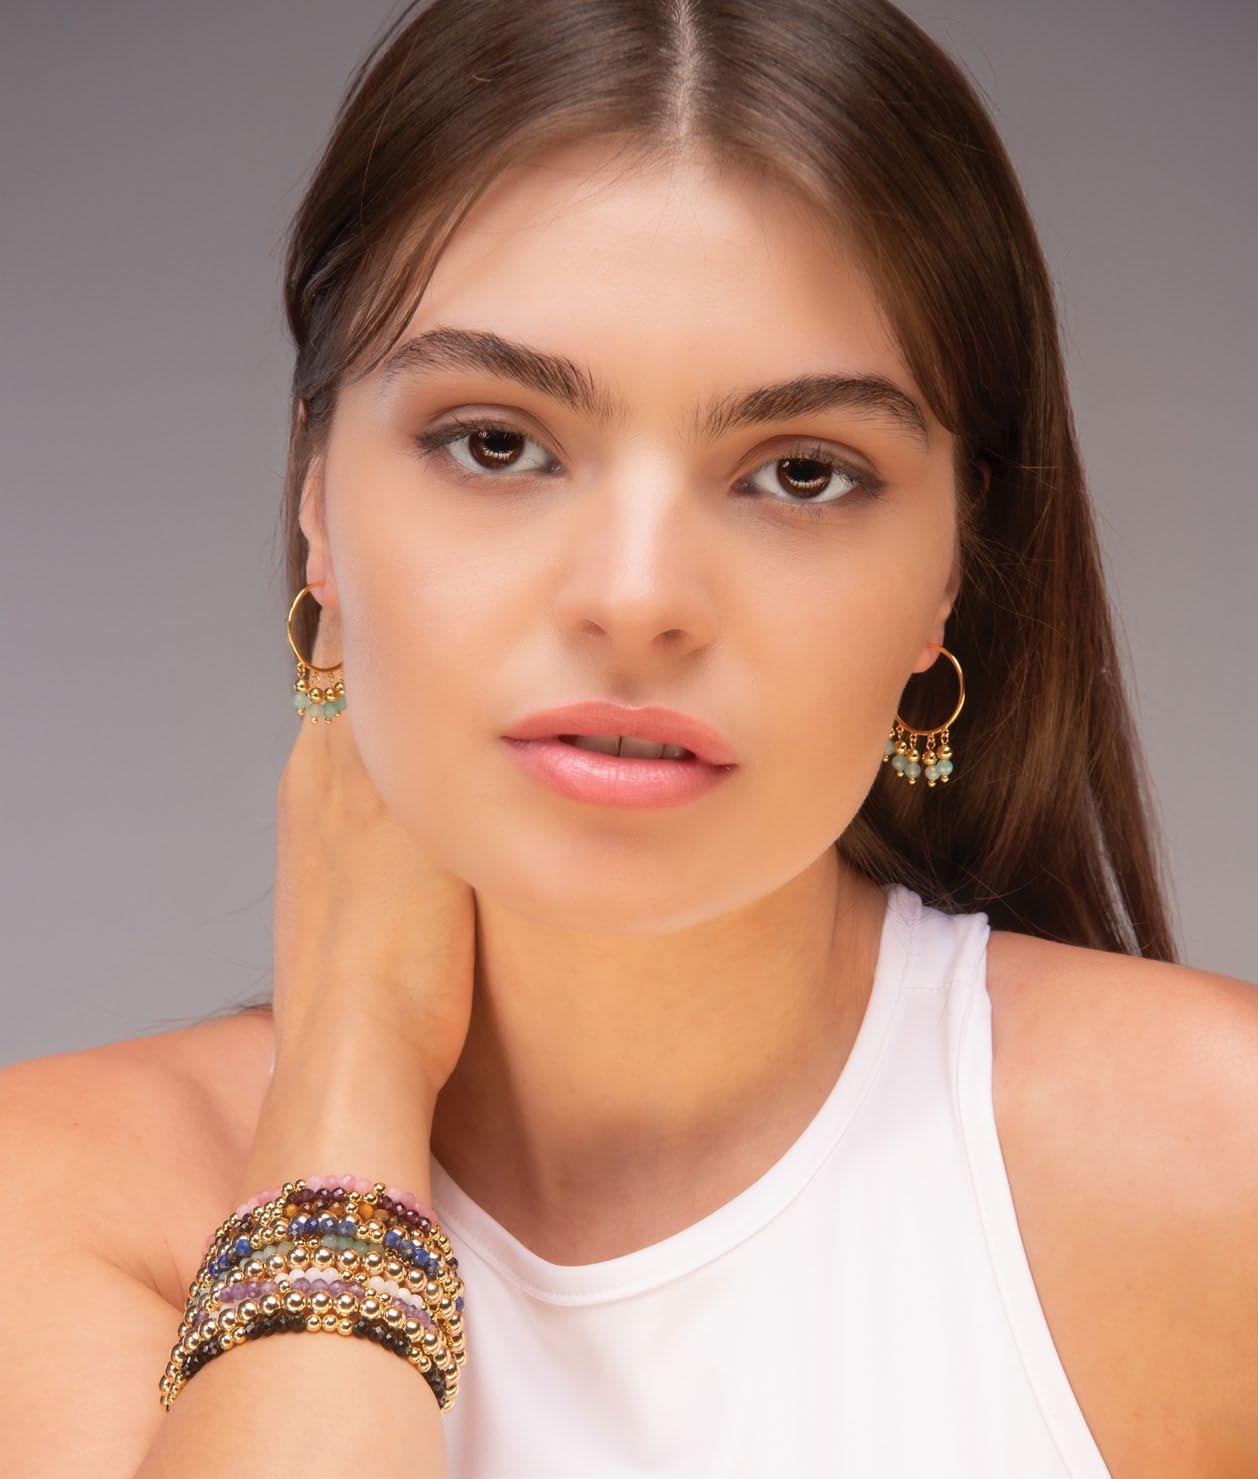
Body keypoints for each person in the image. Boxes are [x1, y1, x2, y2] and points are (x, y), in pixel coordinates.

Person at [2, 0, 1255, 1473]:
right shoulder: (58, 1197)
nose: (638, 598)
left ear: (949, 574)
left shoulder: (1209, 1162)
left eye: (801, 472)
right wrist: (348, 1071)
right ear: (318, 500)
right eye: (498, 443)